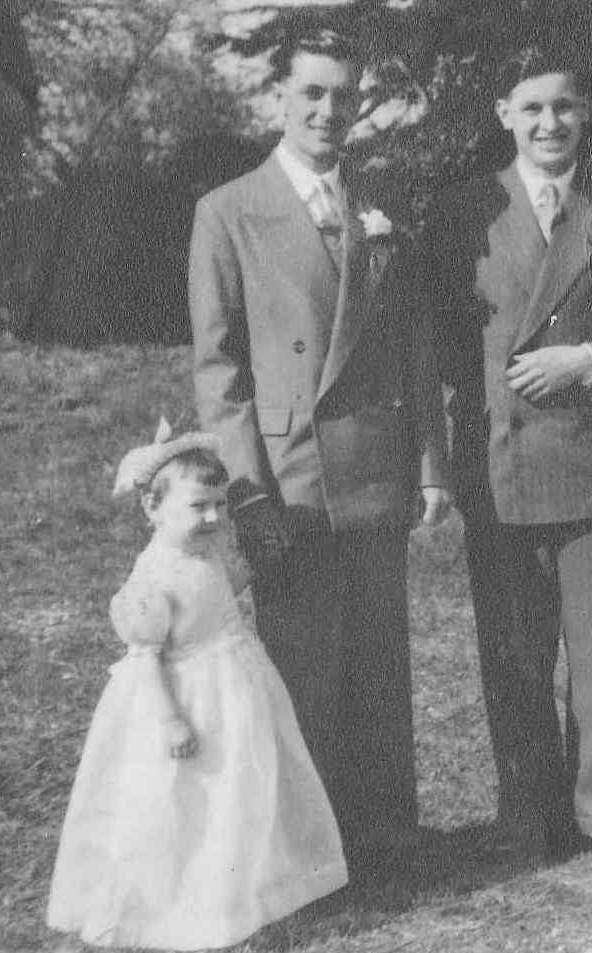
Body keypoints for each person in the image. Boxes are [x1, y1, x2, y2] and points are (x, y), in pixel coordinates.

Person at [187, 27, 451, 879]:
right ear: (281, 97)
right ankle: (304, 852)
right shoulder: (228, 210)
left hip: (374, 467)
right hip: (289, 479)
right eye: (311, 93)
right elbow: (218, 369)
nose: (327, 110)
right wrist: (247, 494)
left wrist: (429, 465)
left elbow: (411, 347)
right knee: (302, 664)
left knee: (379, 662)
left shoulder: (380, 208)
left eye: (343, 95)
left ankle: (381, 840)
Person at [424, 47, 592, 872]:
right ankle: (527, 812)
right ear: (504, 113)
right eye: (532, 108)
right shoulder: (463, 209)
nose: (549, 124)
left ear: (585, 114)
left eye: (565, 107)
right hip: (500, 458)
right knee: (514, 649)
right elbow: (436, 342)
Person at [47, 425, 346, 949]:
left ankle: (251, 892)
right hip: (190, 699)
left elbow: (218, 593)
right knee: (192, 800)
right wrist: (170, 718)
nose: (212, 518)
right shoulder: (153, 578)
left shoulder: (204, 554)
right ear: (153, 510)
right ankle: (186, 903)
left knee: (244, 788)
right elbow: (145, 661)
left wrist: (254, 567)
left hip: (236, 689)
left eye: (218, 506)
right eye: (197, 508)